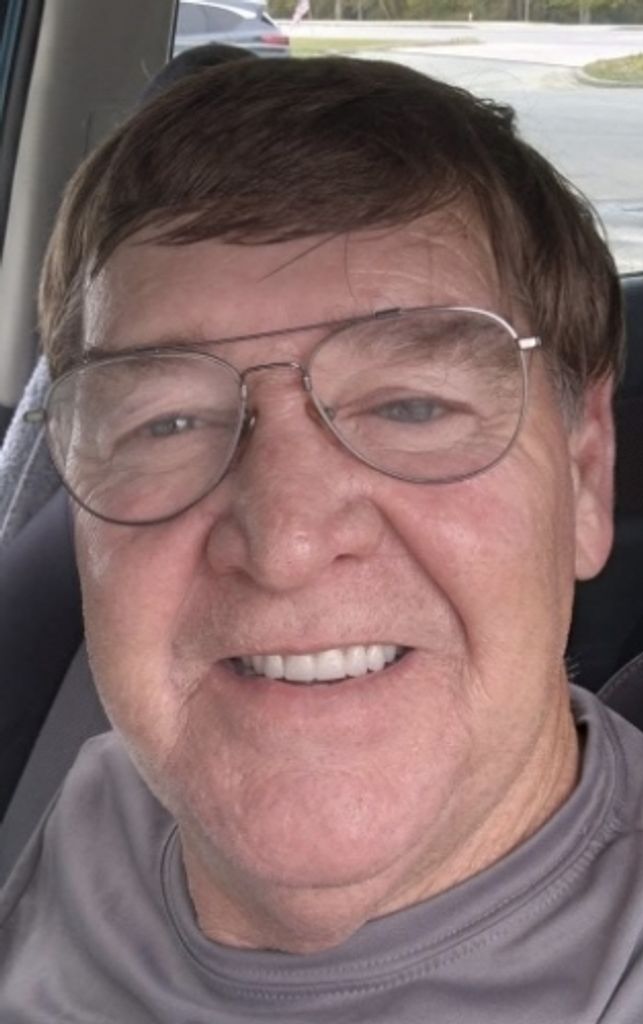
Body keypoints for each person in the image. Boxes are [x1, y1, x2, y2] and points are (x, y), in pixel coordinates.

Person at [0, 54, 639, 1022]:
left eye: (411, 406)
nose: (286, 543)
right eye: (170, 422)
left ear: (585, 476)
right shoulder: (74, 798)